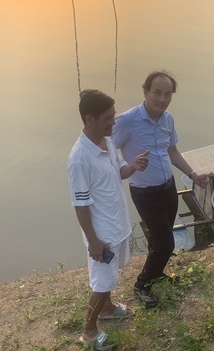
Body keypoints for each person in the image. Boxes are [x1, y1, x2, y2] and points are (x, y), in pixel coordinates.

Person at [112, 70, 211, 308]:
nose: (162, 99)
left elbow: (172, 152)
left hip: (168, 187)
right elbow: (106, 151)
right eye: (157, 93)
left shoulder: (168, 119)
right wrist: (128, 167)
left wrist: (193, 175)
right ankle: (141, 284)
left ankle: (155, 273)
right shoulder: (127, 121)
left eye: (168, 94)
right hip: (145, 191)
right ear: (145, 91)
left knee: (159, 238)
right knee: (166, 243)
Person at [67, 89, 150, 348]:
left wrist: (133, 166)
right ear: (89, 119)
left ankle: (107, 309)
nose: (113, 122)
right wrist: (93, 241)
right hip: (102, 233)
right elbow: (80, 206)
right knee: (101, 283)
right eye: (107, 118)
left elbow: (119, 173)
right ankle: (89, 333)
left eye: (113, 116)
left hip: (117, 224)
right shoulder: (80, 159)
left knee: (111, 277)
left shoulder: (107, 142)